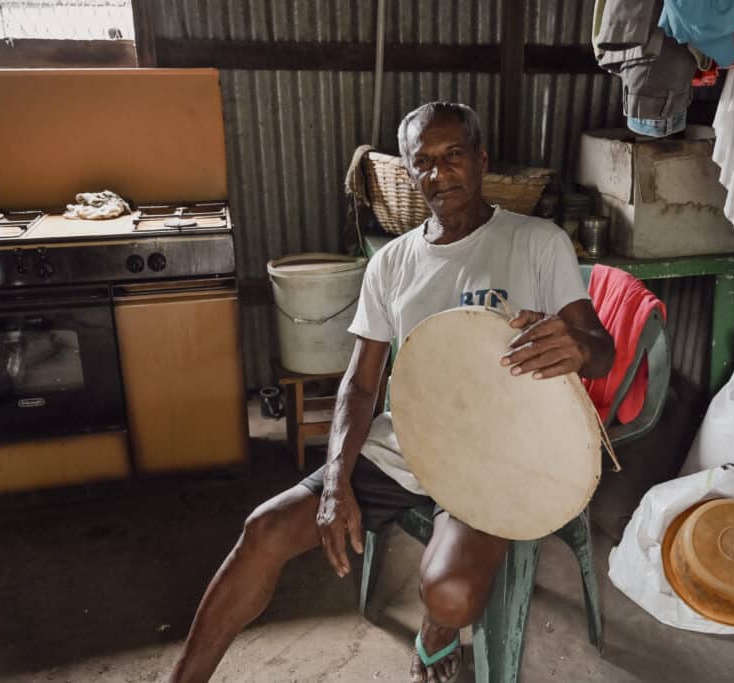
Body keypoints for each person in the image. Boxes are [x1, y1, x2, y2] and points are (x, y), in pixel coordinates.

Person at [169, 101, 615, 683]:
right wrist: (335, 481)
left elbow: (600, 349)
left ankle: (435, 635)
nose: (439, 173)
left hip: (497, 454)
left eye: (453, 155)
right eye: (422, 161)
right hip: (407, 441)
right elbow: (360, 384)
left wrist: (578, 346)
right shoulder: (392, 263)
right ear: (408, 174)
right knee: (264, 530)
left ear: (482, 160)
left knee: (450, 594)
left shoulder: (536, 241)